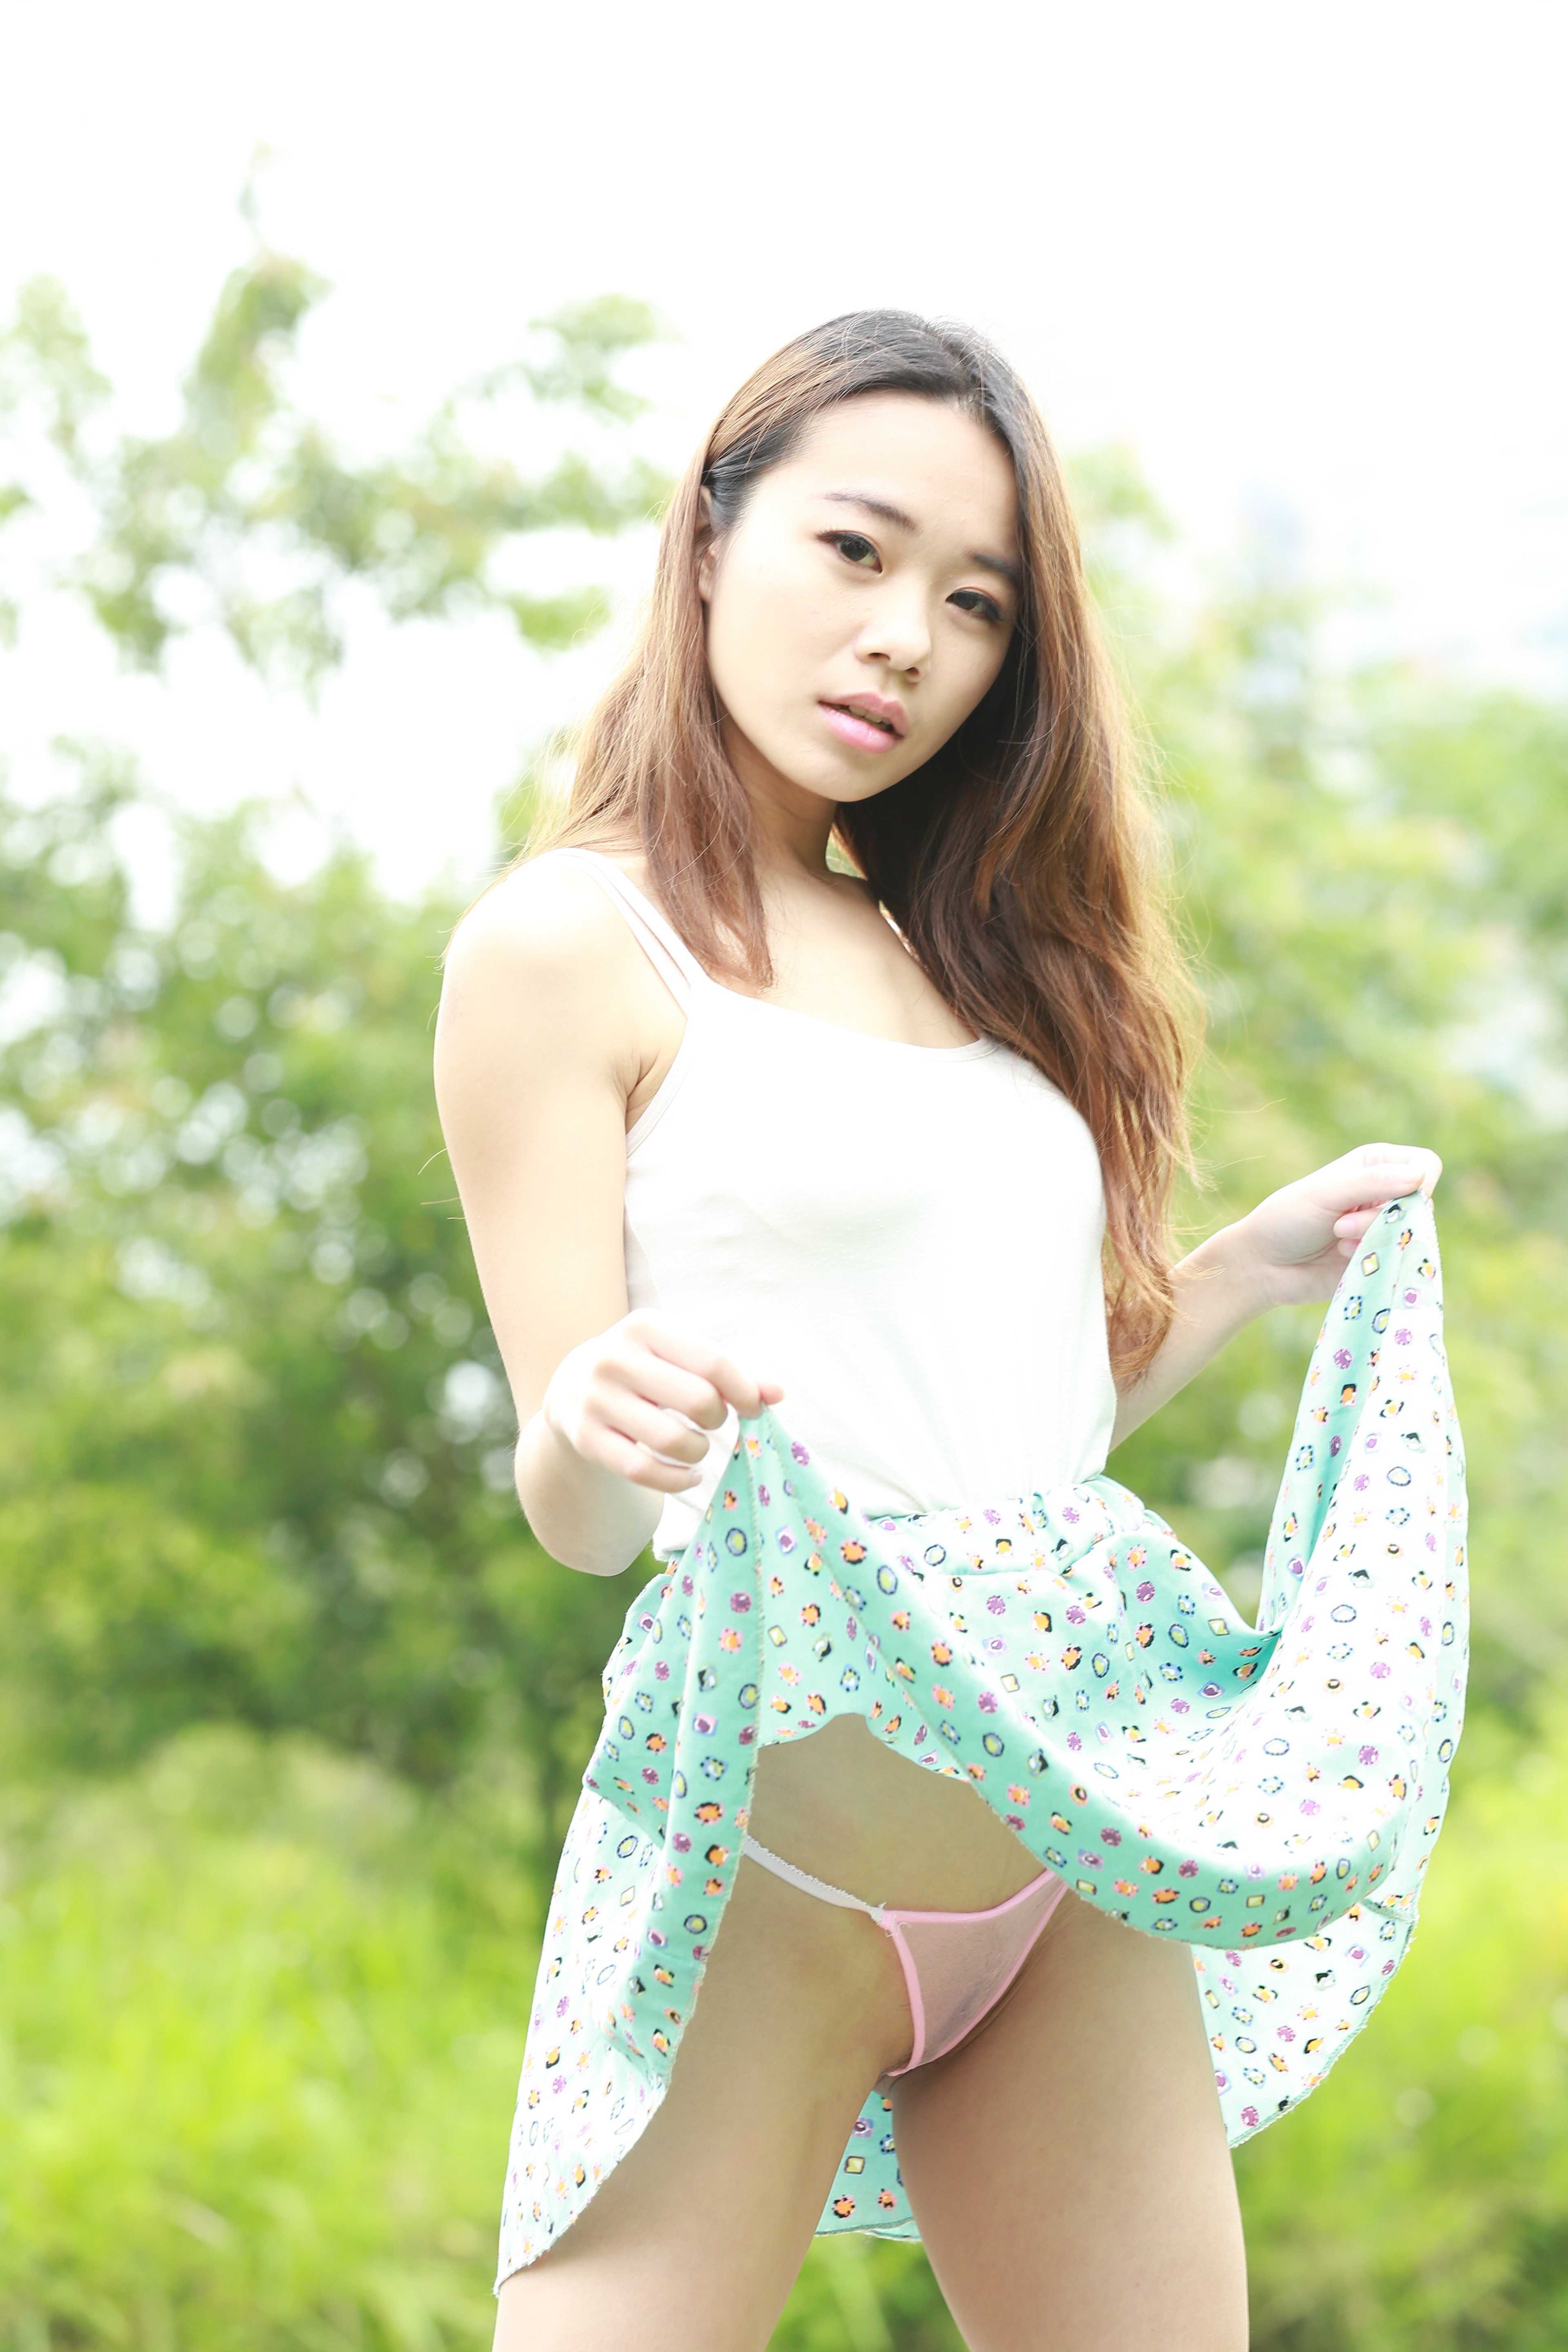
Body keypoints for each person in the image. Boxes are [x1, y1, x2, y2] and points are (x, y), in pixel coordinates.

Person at [433, 311, 1466, 2352]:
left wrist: (1247, 1271)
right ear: (711, 537)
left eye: (976, 602)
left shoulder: (961, 957)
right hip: (778, 1842)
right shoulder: (567, 944)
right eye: (856, 550)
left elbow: (1010, 1432)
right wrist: (595, 1412)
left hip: (1078, 1828)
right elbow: (575, 1508)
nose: (905, 637)